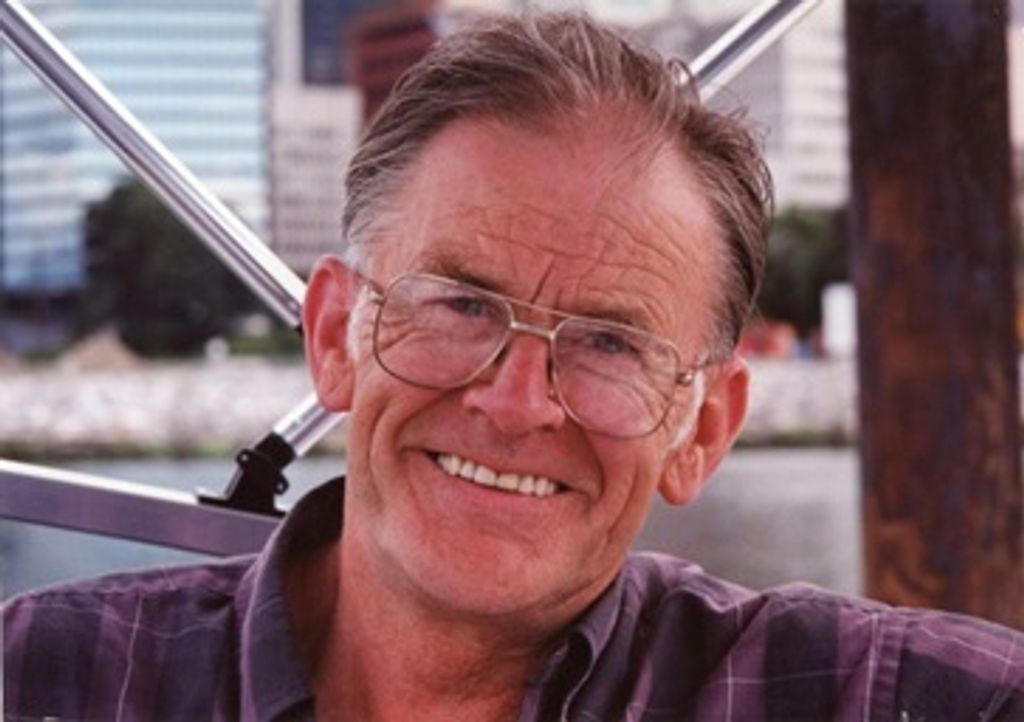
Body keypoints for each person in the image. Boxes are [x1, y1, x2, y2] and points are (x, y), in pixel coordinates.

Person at [4, 11, 1022, 721]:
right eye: (460, 303)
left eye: (610, 341)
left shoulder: (866, 696)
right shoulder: (47, 676)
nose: (514, 400)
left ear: (703, 430)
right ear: (334, 337)